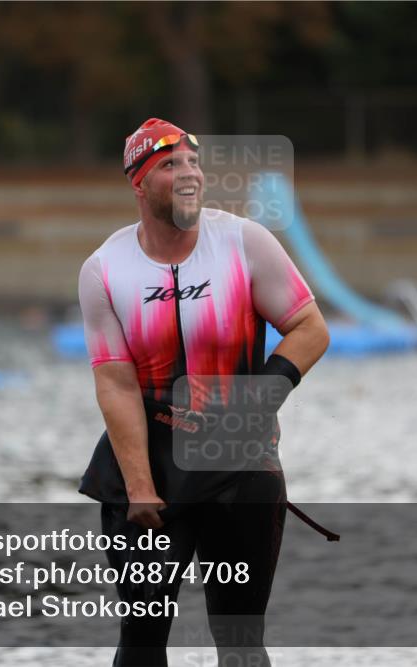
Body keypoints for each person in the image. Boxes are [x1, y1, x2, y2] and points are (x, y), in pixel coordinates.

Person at [78, 118, 329, 666]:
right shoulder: (104, 269)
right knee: (142, 640)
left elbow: (310, 329)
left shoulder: (244, 242)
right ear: (139, 183)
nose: (189, 174)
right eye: (171, 165)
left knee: (240, 641)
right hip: (152, 468)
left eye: (194, 162)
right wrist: (140, 486)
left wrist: (252, 404)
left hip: (239, 464)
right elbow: (115, 382)